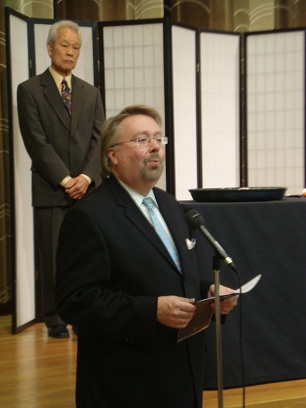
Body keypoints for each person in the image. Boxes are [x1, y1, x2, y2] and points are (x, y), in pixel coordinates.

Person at [56, 105, 238, 407]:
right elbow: (75, 302)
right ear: (112, 154)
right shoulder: (89, 217)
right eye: (142, 139)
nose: (155, 146)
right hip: (129, 381)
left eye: (158, 138)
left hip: (183, 369)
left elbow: (172, 272)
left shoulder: (168, 204)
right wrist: (150, 310)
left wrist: (207, 290)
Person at [17, 20, 105, 338]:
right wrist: (66, 179)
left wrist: (85, 177)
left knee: (86, 255)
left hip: (88, 189)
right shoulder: (29, 90)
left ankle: (83, 313)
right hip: (52, 188)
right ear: (50, 48)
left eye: (76, 47)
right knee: (53, 255)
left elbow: (100, 140)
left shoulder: (91, 93)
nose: (70, 52)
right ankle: (55, 316)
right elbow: (36, 142)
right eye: (65, 45)